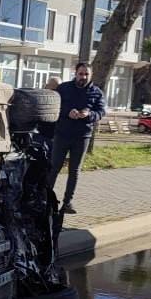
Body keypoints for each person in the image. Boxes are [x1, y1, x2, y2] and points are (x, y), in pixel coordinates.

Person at [50, 62, 106, 215]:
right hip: (63, 134)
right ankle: (45, 199)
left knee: (74, 170)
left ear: (91, 75)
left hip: (82, 136)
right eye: (81, 74)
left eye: (86, 74)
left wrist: (89, 115)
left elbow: (101, 111)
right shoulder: (64, 89)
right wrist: (68, 112)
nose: (83, 77)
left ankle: (67, 203)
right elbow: (55, 106)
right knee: (54, 167)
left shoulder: (97, 93)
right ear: (75, 73)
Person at [36, 77, 61, 147]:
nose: (55, 92)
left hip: (56, 133)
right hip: (41, 132)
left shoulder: (63, 98)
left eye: (57, 89)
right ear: (47, 86)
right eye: (53, 89)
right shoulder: (40, 97)